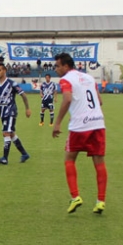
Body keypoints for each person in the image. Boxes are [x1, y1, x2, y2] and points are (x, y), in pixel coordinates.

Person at [52, 52, 107, 214]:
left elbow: (67, 99)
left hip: (79, 126)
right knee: (99, 162)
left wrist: (57, 123)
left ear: (66, 66)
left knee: (69, 158)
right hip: (98, 123)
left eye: (57, 66)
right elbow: (100, 101)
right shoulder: (89, 78)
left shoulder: (66, 80)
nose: (55, 69)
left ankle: (75, 196)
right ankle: (101, 201)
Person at [0, 62, 31, 164]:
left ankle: (5, 158)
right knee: (11, 134)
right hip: (2, 112)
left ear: (5, 71)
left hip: (10, 110)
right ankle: (25, 154)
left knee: (5, 133)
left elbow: (23, 95)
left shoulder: (12, 83)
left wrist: (27, 108)